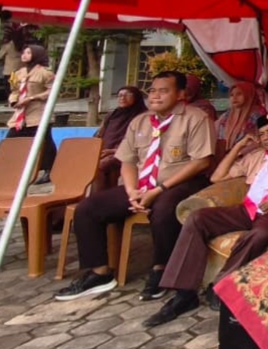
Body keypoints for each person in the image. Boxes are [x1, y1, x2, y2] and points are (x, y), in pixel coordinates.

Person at [143, 111, 268, 327]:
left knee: (261, 233)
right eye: (262, 134)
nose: (266, 137)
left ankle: (220, 283)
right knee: (197, 218)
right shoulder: (256, 157)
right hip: (248, 209)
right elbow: (217, 177)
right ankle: (184, 294)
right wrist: (238, 147)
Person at [55, 71, 216, 302]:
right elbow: (128, 161)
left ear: (181, 94)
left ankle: (161, 269)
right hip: (142, 185)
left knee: (164, 210)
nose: (155, 96)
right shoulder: (140, 121)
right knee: (88, 209)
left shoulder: (196, 118)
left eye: (164, 91)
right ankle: (100, 273)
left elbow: (202, 162)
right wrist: (131, 191)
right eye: (152, 91)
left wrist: (159, 189)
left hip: (181, 182)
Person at [6, 44, 58, 182]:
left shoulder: (45, 73)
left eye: (28, 53)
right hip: (21, 116)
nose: (24, 55)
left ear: (37, 54)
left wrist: (32, 98)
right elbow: (14, 91)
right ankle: (8, 169)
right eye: (24, 52)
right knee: (10, 140)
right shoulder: (18, 73)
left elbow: (52, 91)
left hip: (39, 114)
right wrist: (14, 101)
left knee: (44, 143)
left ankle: (49, 170)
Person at [93, 86, 147, 192]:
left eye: (127, 95)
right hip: (105, 151)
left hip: (127, 153)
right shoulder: (113, 115)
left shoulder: (142, 117)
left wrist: (113, 151)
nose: (122, 98)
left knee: (100, 166)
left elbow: (140, 141)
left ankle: (103, 196)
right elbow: (100, 134)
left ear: (136, 97)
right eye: (120, 95)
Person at [215, 81, 266, 151]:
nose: (234, 97)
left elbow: (261, 138)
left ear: (248, 95)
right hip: (225, 154)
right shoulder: (226, 115)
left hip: (250, 154)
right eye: (231, 95)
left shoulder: (258, 114)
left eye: (239, 94)